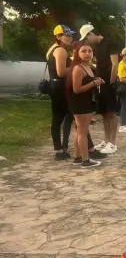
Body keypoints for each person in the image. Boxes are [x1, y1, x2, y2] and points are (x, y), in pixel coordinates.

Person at [79, 24, 120, 154]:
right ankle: (106, 140)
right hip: (99, 83)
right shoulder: (96, 47)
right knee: (103, 113)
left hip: (108, 83)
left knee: (112, 112)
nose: (86, 41)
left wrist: (112, 82)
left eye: (86, 38)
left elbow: (115, 64)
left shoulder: (109, 43)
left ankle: (112, 143)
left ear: (91, 34)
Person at [68, 41, 104, 168]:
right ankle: (85, 160)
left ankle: (78, 158)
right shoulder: (78, 68)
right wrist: (93, 84)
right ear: (77, 53)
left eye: (90, 51)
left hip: (86, 102)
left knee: (80, 131)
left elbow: (88, 82)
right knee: (82, 132)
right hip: (80, 103)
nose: (87, 53)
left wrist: (96, 81)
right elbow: (76, 89)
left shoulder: (88, 66)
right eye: (84, 51)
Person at [46, 25, 75, 160]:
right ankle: (87, 149)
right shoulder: (60, 51)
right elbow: (61, 72)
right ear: (58, 37)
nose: (70, 38)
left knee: (58, 118)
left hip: (54, 85)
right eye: (66, 35)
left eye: (70, 35)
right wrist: (75, 66)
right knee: (75, 116)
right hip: (61, 87)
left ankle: (59, 149)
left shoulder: (52, 48)